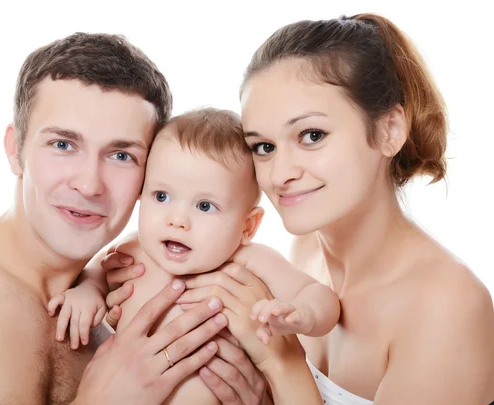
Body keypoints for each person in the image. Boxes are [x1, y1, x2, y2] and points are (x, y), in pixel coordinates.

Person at [103, 13, 494, 405]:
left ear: (389, 130)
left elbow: (287, 371)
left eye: (311, 136)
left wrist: (282, 364)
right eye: (264, 147)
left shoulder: (447, 306)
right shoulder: (305, 253)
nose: (281, 173)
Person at [0, 32, 271, 405]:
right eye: (63, 145)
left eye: (121, 155)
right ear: (15, 150)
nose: (90, 184)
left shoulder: (132, 328)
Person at [48, 108, 341, 405]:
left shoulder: (247, 261)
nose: (177, 220)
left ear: (247, 226)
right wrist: (87, 291)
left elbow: (318, 294)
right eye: (161, 196)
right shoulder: (134, 251)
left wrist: (303, 315)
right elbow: (97, 269)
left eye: (204, 206)